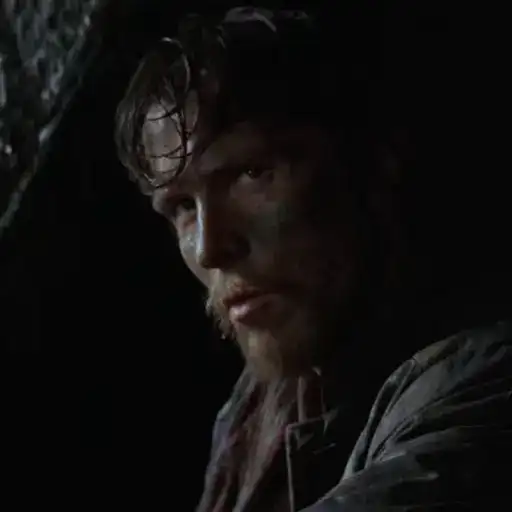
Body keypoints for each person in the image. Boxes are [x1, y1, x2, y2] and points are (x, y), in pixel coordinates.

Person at [114, 6, 512, 511]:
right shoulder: (257, 409)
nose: (211, 248)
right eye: (182, 208)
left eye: (252, 173)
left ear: (373, 164)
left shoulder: (486, 380)